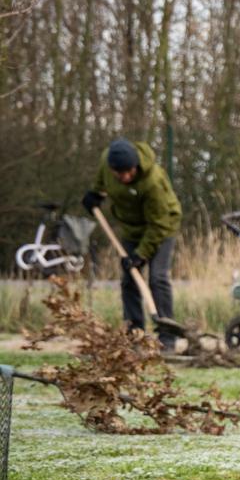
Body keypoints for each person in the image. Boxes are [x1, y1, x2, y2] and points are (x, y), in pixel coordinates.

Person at [82, 139, 182, 350]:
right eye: (120, 173)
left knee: (158, 278)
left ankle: (167, 338)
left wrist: (140, 254)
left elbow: (159, 225)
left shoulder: (153, 181)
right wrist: (94, 196)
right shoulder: (107, 162)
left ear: (135, 166)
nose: (125, 177)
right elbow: (100, 186)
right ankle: (134, 335)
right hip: (131, 229)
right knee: (129, 280)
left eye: (129, 172)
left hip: (162, 227)